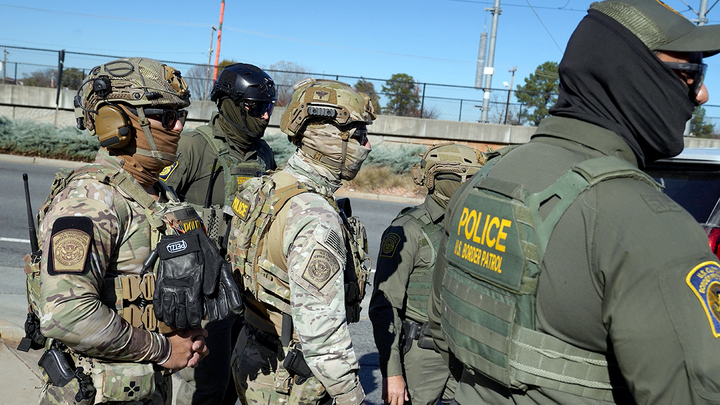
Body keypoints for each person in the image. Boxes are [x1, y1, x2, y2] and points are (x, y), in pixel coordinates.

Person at [428, 1, 720, 404]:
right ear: (631, 77)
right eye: (690, 74)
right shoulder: (651, 227)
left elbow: (442, 330)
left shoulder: (484, 180)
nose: (702, 94)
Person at [29, 57, 211, 405]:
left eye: (181, 117)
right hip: (97, 393)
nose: (177, 128)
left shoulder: (159, 193)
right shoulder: (91, 200)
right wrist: (163, 348)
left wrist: (188, 334)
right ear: (118, 122)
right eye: (167, 116)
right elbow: (66, 314)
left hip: (147, 386)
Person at [226, 78, 375, 405]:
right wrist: (352, 397)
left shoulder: (271, 186)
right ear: (331, 139)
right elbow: (323, 337)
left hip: (252, 353)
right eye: (360, 136)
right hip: (289, 380)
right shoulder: (315, 216)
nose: (367, 146)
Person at [161, 62, 278, 405]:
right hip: (207, 290)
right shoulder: (194, 147)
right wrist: (206, 224)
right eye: (256, 108)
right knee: (206, 386)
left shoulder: (263, 154)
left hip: (248, 288)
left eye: (268, 108)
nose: (265, 117)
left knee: (236, 382)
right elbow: (157, 209)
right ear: (230, 104)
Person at [369, 143, 484, 405]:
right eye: (469, 179)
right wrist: (393, 373)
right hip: (422, 355)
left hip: (462, 353)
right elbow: (384, 307)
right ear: (437, 178)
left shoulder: (473, 227)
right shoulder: (408, 230)